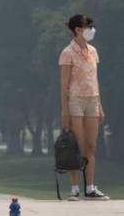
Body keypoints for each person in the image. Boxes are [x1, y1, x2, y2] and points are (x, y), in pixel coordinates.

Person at [60, 13, 108, 199]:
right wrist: (65, 111)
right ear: (78, 30)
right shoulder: (67, 53)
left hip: (92, 100)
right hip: (76, 101)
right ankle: (74, 188)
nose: (91, 30)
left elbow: (94, 80)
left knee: (91, 146)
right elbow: (64, 85)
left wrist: (100, 106)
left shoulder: (93, 51)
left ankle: (90, 187)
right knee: (76, 146)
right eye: (88, 27)